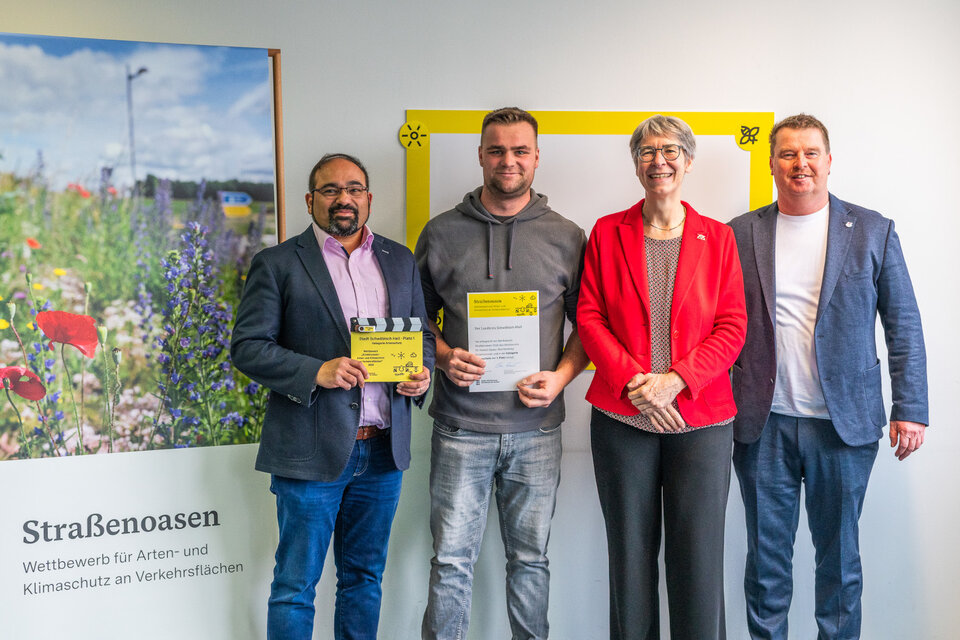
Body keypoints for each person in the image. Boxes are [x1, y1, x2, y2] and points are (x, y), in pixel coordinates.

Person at [728, 113, 928, 640]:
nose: (801, 163)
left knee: (839, 565)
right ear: (771, 163)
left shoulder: (873, 230)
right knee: (766, 567)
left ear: (829, 160)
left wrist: (910, 408)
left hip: (843, 428)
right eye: (788, 153)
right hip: (762, 425)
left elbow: (903, 322)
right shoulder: (740, 233)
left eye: (811, 152)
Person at [230, 153, 435, 640]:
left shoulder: (399, 259)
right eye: (330, 189)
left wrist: (421, 373)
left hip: (383, 452)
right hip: (308, 451)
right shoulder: (277, 263)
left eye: (354, 188)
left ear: (368, 198)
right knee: (295, 586)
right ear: (310, 200)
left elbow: (423, 335)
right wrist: (314, 371)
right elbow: (247, 347)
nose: (344, 198)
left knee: (364, 579)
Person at [415, 107, 588, 640]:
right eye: (496, 150)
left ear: (536, 157)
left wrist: (561, 377)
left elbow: (591, 326)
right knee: (450, 561)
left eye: (519, 151)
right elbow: (414, 320)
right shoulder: (441, 232)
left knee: (531, 561)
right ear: (480, 156)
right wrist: (443, 355)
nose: (508, 161)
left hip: (536, 431)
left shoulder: (568, 236)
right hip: (460, 428)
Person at [577, 114, 747, 640]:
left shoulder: (719, 238)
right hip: (622, 419)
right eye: (647, 152)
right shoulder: (607, 232)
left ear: (688, 161)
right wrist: (639, 385)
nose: (659, 160)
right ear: (636, 164)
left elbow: (732, 326)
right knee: (629, 558)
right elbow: (589, 317)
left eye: (671, 150)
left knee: (698, 561)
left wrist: (674, 381)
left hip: (701, 421)